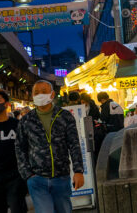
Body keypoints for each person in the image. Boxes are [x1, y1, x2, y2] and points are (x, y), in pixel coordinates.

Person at [16, 80, 84, 213]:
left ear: (52, 94)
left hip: (61, 177)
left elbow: (74, 144)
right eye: (36, 92)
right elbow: (20, 148)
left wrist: (78, 170)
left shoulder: (65, 116)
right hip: (37, 179)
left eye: (44, 91)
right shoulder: (26, 121)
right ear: (32, 96)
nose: (40, 95)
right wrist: (28, 174)